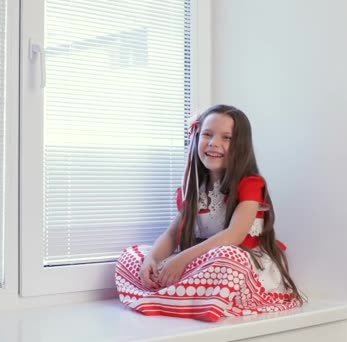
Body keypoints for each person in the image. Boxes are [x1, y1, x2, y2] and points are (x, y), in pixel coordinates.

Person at [115, 104, 303, 321]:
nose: (214, 143)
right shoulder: (195, 189)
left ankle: (171, 298)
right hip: (200, 263)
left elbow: (234, 236)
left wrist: (182, 259)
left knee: (228, 256)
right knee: (132, 256)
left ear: (240, 145)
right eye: (207, 134)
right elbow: (170, 235)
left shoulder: (250, 184)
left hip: (239, 270)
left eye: (227, 138)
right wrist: (152, 259)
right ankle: (179, 298)